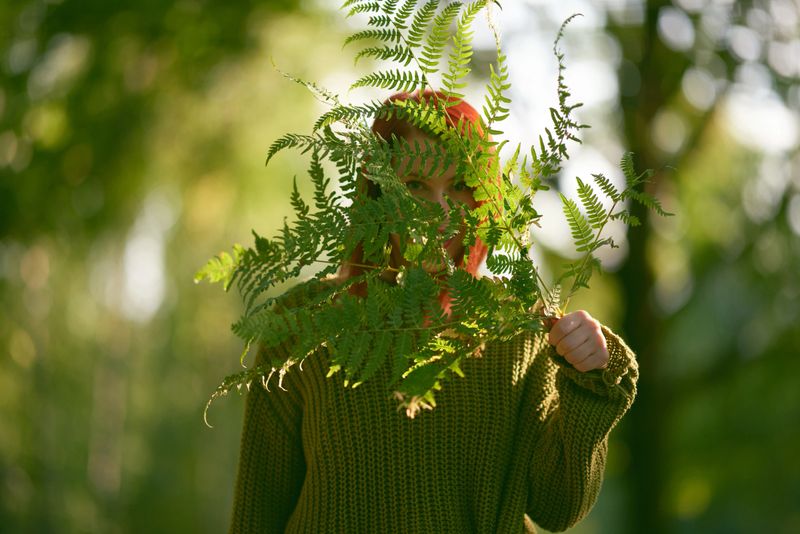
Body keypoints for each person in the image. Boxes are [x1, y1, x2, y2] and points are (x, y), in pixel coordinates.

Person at [228, 90, 638, 533]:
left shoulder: (517, 325)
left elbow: (556, 510)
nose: (441, 213)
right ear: (379, 194)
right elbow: (258, 512)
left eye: (459, 187)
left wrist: (590, 378)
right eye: (416, 186)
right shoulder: (306, 322)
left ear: (481, 198)